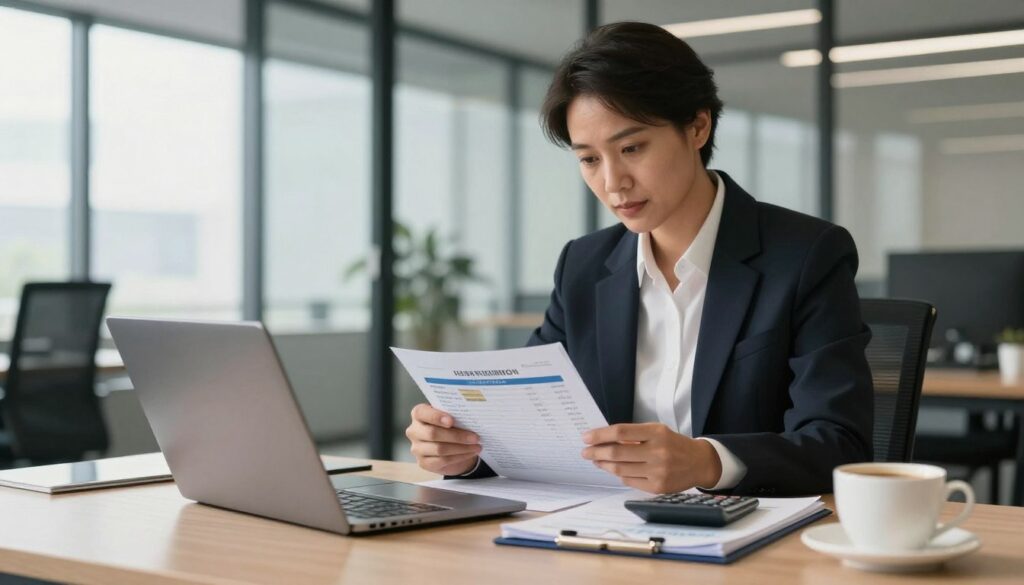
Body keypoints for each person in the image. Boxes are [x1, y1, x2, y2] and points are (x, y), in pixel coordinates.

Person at [404, 21, 873, 496]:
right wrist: (465, 452)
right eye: (589, 159)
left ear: (697, 126)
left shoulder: (806, 255)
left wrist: (706, 462)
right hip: (606, 534)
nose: (613, 182)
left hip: (750, 541)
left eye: (631, 148)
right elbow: (531, 430)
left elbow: (839, 444)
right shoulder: (583, 266)